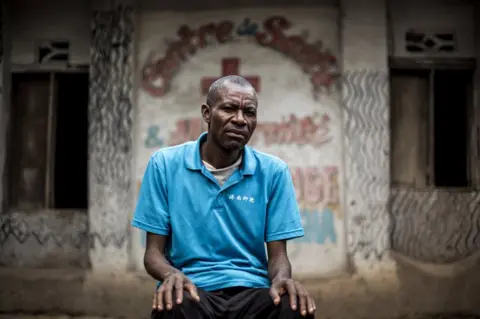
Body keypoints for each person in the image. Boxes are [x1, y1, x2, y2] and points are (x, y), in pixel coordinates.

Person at [132, 75, 316, 319]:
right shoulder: (165, 165)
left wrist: (283, 280)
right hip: (192, 288)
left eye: (249, 112)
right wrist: (171, 274)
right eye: (229, 108)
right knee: (172, 306)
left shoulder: (273, 172)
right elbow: (153, 254)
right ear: (207, 113)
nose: (240, 120)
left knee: (294, 309)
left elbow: (279, 256)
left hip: (253, 290)